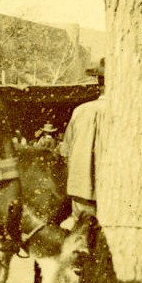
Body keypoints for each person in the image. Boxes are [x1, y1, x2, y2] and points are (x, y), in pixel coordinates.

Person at [61, 60, 104, 219]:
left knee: (83, 236)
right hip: (111, 190)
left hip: (80, 188)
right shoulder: (122, 114)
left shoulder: (80, 111)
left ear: (98, 83)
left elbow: (65, 152)